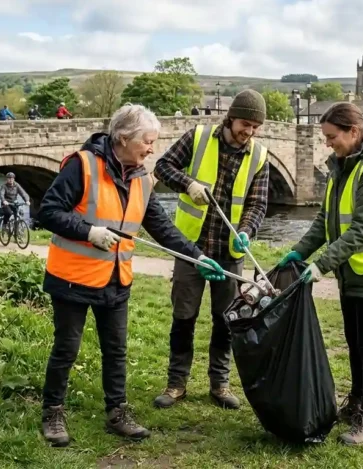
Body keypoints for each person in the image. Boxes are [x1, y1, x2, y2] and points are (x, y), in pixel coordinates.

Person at [36, 104, 226, 446]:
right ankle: (52, 413)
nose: (153, 148)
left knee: (116, 349)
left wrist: (197, 256)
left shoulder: (141, 178)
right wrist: (89, 231)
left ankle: (117, 411)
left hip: (115, 278)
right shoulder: (81, 166)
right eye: (148, 141)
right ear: (123, 138)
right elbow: (48, 211)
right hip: (72, 277)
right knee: (67, 348)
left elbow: (162, 227)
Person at [277, 102, 363, 446]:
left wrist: (320, 265)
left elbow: (361, 229)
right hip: (353, 271)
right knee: (354, 342)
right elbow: (325, 220)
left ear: (353, 131)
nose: (327, 143)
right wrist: (300, 252)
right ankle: (357, 402)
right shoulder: (343, 165)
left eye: (331, 137)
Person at [152, 89, 270, 411]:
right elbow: (162, 167)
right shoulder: (199, 137)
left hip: (230, 252)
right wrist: (188, 183)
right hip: (191, 248)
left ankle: (220, 384)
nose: (250, 132)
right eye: (246, 124)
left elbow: (258, 203)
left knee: (226, 320)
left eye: (255, 127)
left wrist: (246, 230)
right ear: (231, 117)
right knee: (184, 316)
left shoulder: (259, 156)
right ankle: (176, 383)